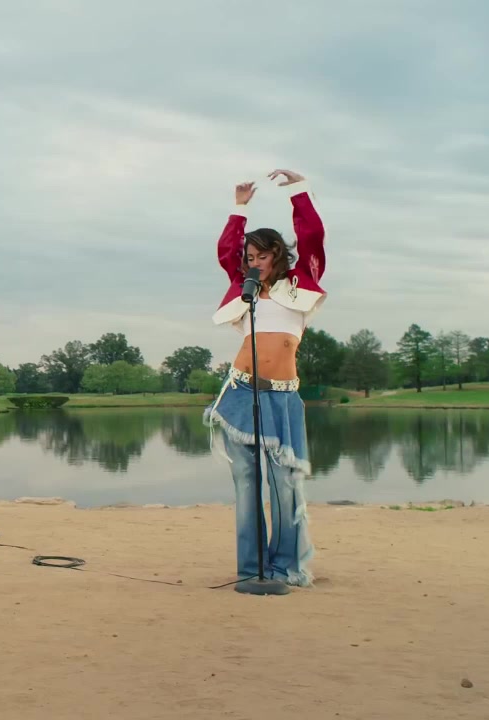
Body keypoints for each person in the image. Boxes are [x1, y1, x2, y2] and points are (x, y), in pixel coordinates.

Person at [203, 168, 326, 587]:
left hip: (282, 397)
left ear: (277, 253)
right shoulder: (245, 289)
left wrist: (299, 191)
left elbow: (313, 238)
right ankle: (250, 570)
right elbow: (226, 251)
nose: (253, 263)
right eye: (249, 258)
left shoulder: (300, 286)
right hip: (241, 393)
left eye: (261, 256)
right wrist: (239, 208)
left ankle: (284, 567)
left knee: (284, 487)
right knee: (246, 484)